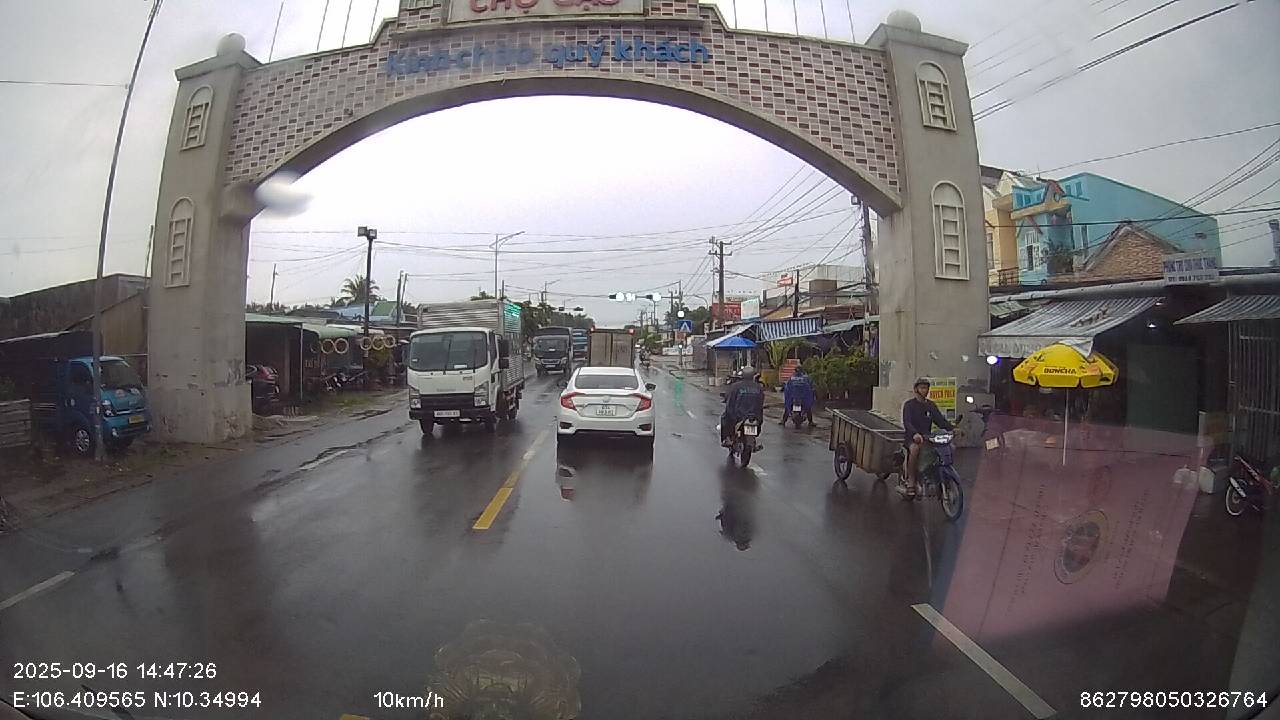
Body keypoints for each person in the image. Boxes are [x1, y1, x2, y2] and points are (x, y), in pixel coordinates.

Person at [901, 377, 953, 499]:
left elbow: (940, 421)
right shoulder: (909, 405)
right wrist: (915, 434)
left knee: (949, 447)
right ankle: (911, 481)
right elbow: (907, 422)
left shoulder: (931, 405)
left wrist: (952, 429)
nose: (925, 390)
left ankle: (936, 476)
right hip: (912, 437)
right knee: (915, 450)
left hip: (928, 437)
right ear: (916, 389)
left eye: (926, 388)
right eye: (922, 388)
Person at [721, 366, 765, 446]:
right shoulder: (758, 387)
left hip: (739, 416)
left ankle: (726, 439)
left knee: (724, 418)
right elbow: (761, 401)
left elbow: (730, 399)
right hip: (754, 417)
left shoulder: (736, 386)